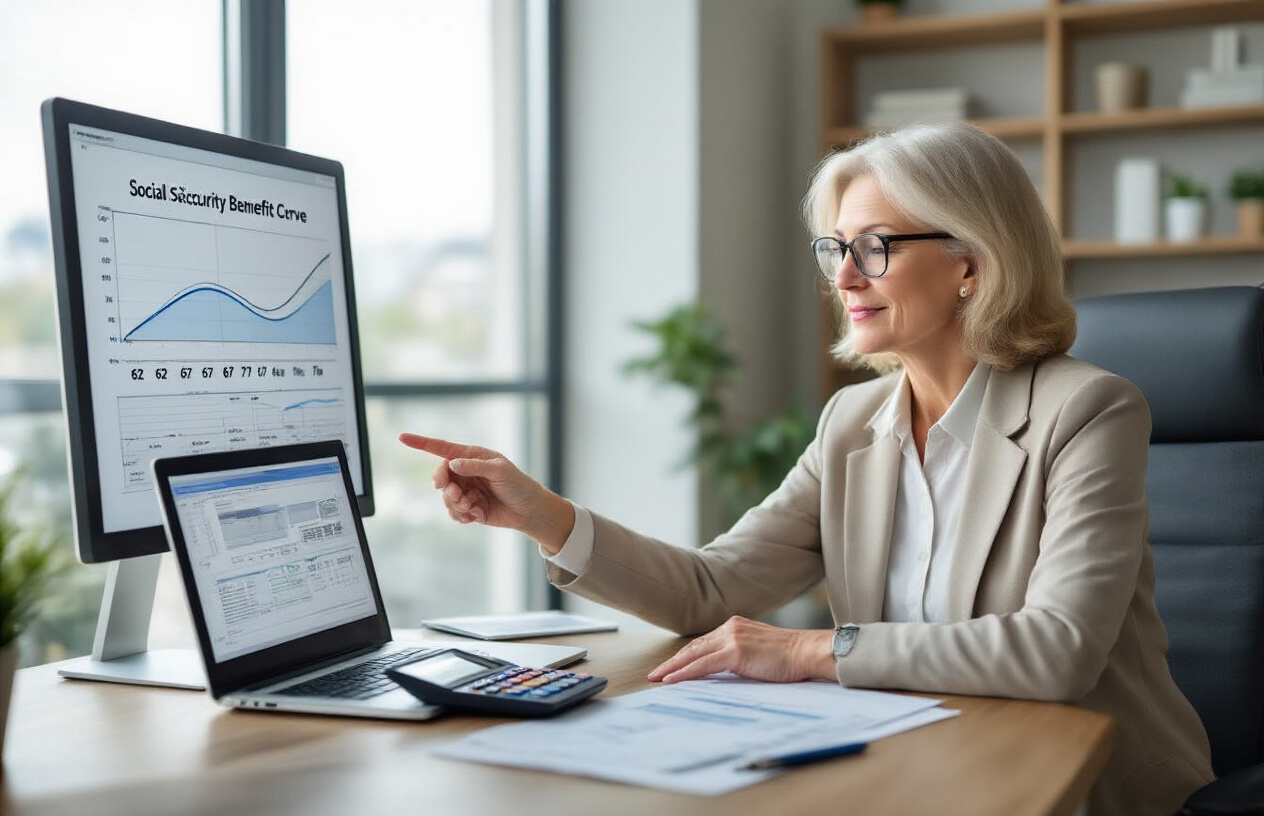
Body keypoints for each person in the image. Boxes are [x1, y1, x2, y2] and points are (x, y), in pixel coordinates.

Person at [399, 122, 1213, 816]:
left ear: (971, 262)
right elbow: (712, 590)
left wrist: (813, 650)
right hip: (915, 765)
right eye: (836, 249)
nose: (844, 278)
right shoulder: (852, 422)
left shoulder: (1088, 410)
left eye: (875, 247)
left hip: (1077, 785)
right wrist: (545, 516)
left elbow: (1058, 650)